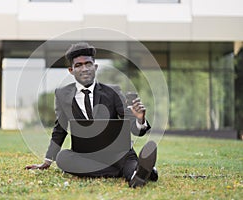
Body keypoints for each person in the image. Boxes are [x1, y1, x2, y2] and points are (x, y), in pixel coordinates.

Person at [25, 42, 158, 188]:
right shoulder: (63, 94)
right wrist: (47, 160)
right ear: (71, 70)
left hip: (117, 152)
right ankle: (141, 172)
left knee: (126, 159)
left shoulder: (112, 92)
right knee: (63, 158)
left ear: (95, 67)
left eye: (88, 64)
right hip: (85, 155)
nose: (84, 69)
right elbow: (60, 128)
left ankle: (135, 175)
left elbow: (134, 128)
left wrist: (140, 119)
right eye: (79, 65)